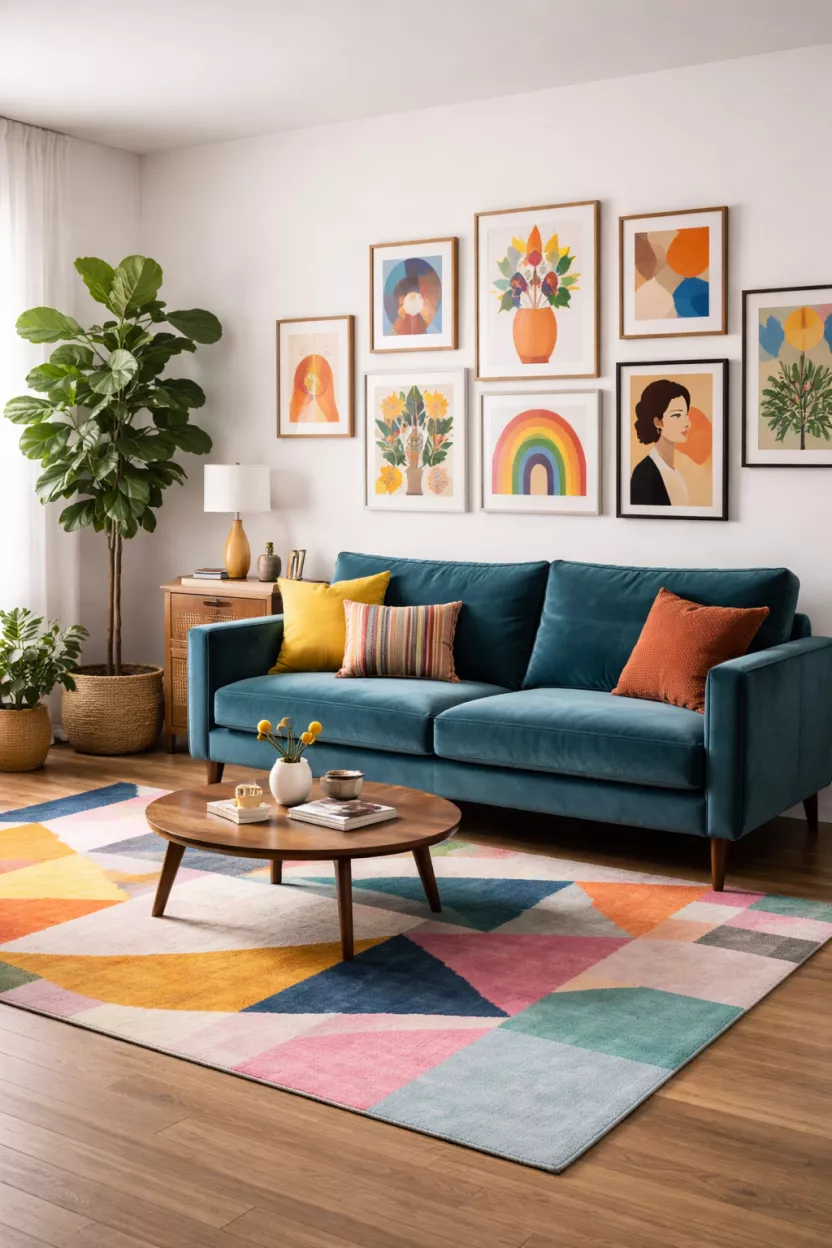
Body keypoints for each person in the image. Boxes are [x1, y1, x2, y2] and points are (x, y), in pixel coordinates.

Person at [630, 379, 691, 506]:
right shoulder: (643, 475)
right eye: (677, 415)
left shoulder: (675, 473)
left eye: (686, 415)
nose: (687, 424)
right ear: (658, 422)